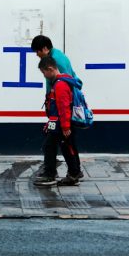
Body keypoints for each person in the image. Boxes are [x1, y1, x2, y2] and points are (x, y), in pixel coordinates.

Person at [33, 56, 82, 187]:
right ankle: (74, 173)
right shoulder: (63, 80)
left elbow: (63, 107)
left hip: (62, 123)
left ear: (50, 69)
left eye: (44, 72)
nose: (44, 75)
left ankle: (50, 175)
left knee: (51, 146)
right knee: (67, 147)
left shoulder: (60, 85)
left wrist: (66, 127)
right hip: (59, 122)